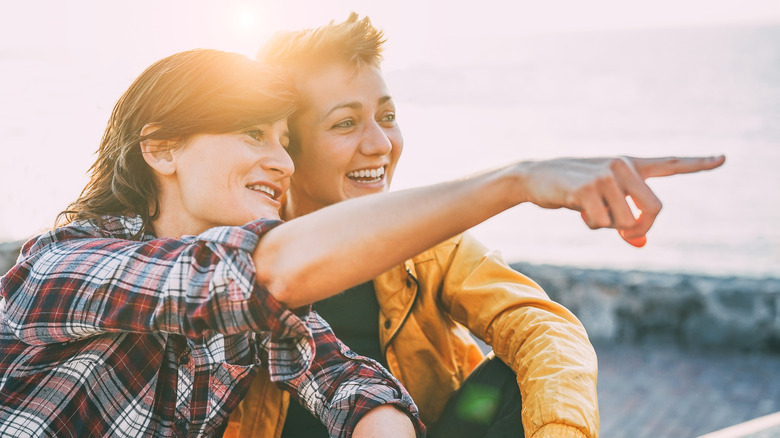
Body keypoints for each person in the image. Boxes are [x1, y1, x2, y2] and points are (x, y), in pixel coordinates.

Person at [224, 13, 726, 438]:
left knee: (512, 376)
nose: (380, 144)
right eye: (344, 123)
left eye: (388, 115)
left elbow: (543, 327)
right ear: (286, 145)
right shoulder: (230, 261)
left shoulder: (427, 247)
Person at [0, 49, 426, 438]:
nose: (284, 163)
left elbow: (343, 377)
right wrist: (492, 189)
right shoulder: (61, 260)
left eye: (285, 142)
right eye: (254, 133)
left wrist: (380, 421)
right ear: (162, 149)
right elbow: (211, 279)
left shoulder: (249, 307)